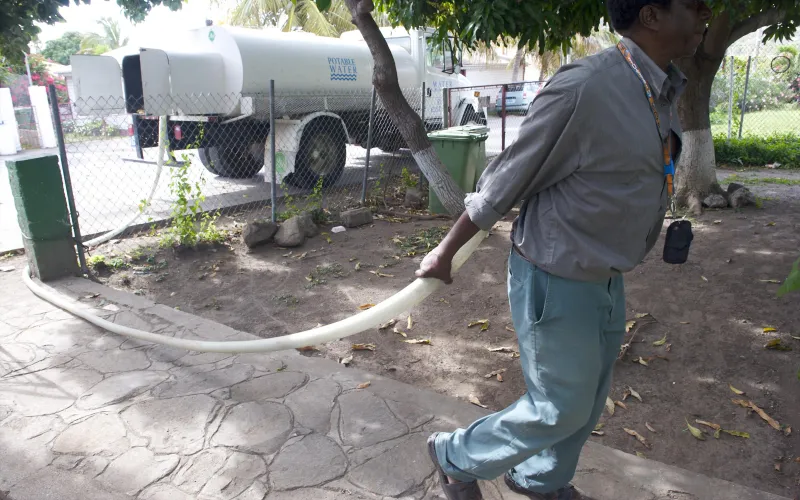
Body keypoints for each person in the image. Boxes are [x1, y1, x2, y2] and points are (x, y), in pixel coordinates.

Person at [419, 0, 712, 498]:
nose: (705, 10)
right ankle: (453, 456)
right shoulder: (586, 86)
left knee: (589, 400)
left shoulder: (659, 87)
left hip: (606, 273)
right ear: (651, 15)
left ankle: (541, 481)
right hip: (555, 275)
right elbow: (507, 178)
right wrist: (445, 251)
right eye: (691, 3)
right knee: (559, 406)